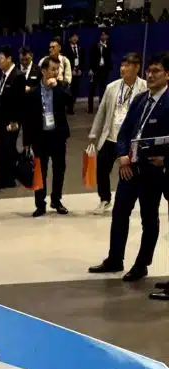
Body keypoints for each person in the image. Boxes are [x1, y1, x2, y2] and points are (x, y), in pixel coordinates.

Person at [90, 52, 169, 283]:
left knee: (149, 218)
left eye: (156, 71)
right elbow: (124, 132)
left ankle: (142, 264)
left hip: (153, 172)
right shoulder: (141, 100)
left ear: (167, 75)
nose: (150, 75)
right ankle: (115, 258)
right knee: (119, 213)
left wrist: (165, 159)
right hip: (129, 168)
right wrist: (123, 155)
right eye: (149, 71)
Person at [88, 52, 145, 214]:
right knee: (102, 168)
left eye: (127, 66)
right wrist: (93, 134)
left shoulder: (145, 87)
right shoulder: (111, 87)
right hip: (110, 136)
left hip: (130, 140)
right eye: (122, 65)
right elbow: (101, 112)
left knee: (129, 172)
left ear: (137, 68)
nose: (123, 69)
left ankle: (127, 201)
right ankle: (105, 199)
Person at [23, 57, 73, 217]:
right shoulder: (33, 92)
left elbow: (69, 101)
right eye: (53, 69)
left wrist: (56, 87)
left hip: (57, 135)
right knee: (40, 171)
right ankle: (40, 204)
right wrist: (27, 141)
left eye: (58, 69)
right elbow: (28, 119)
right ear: (44, 71)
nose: (56, 72)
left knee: (59, 169)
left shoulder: (61, 86)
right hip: (40, 137)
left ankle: (56, 200)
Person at [0, 46, 24, 193]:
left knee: (6, 148)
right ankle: (9, 178)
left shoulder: (18, 76)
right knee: (5, 149)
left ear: (9, 59)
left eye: (1, 59)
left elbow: (19, 101)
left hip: (11, 121)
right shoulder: (3, 76)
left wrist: (15, 121)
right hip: (2, 119)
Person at [89, 29, 113, 114]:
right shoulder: (95, 46)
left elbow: (109, 58)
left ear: (107, 36)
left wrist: (105, 47)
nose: (103, 36)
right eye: (102, 35)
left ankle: (101, 108)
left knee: (102, 90)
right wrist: (91, 69)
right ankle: (90, 108)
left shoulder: (109, 46)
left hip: (104, 70)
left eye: (104, 35)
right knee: (92, 89)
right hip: (95, 70)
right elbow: (91, 58)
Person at [66, 32, 84, 114]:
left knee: (76, 90)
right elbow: (65, 61)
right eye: (73, 36)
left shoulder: (80, 48)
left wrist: (80, 69)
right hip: (69, 72)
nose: (75, 38)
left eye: (76, 36)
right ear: (70, 38)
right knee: (69, 91)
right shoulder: (66, 48)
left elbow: (82, 60)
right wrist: (70, 70)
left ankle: (71, 106)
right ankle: (69, 107)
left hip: (78, 71)